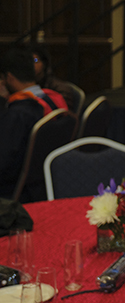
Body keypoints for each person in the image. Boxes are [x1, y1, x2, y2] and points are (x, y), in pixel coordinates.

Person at [0, 47, 70, 198]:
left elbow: (4, 164)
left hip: (15, 192)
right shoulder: (54, 100)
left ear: (9, 77)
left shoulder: (18, 114)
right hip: (44, 184)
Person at [29, 44, 82, 115]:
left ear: (44, 63)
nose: (31, 65)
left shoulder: (59, 88)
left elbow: (63, 117)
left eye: (35, 60)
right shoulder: (25, 84)